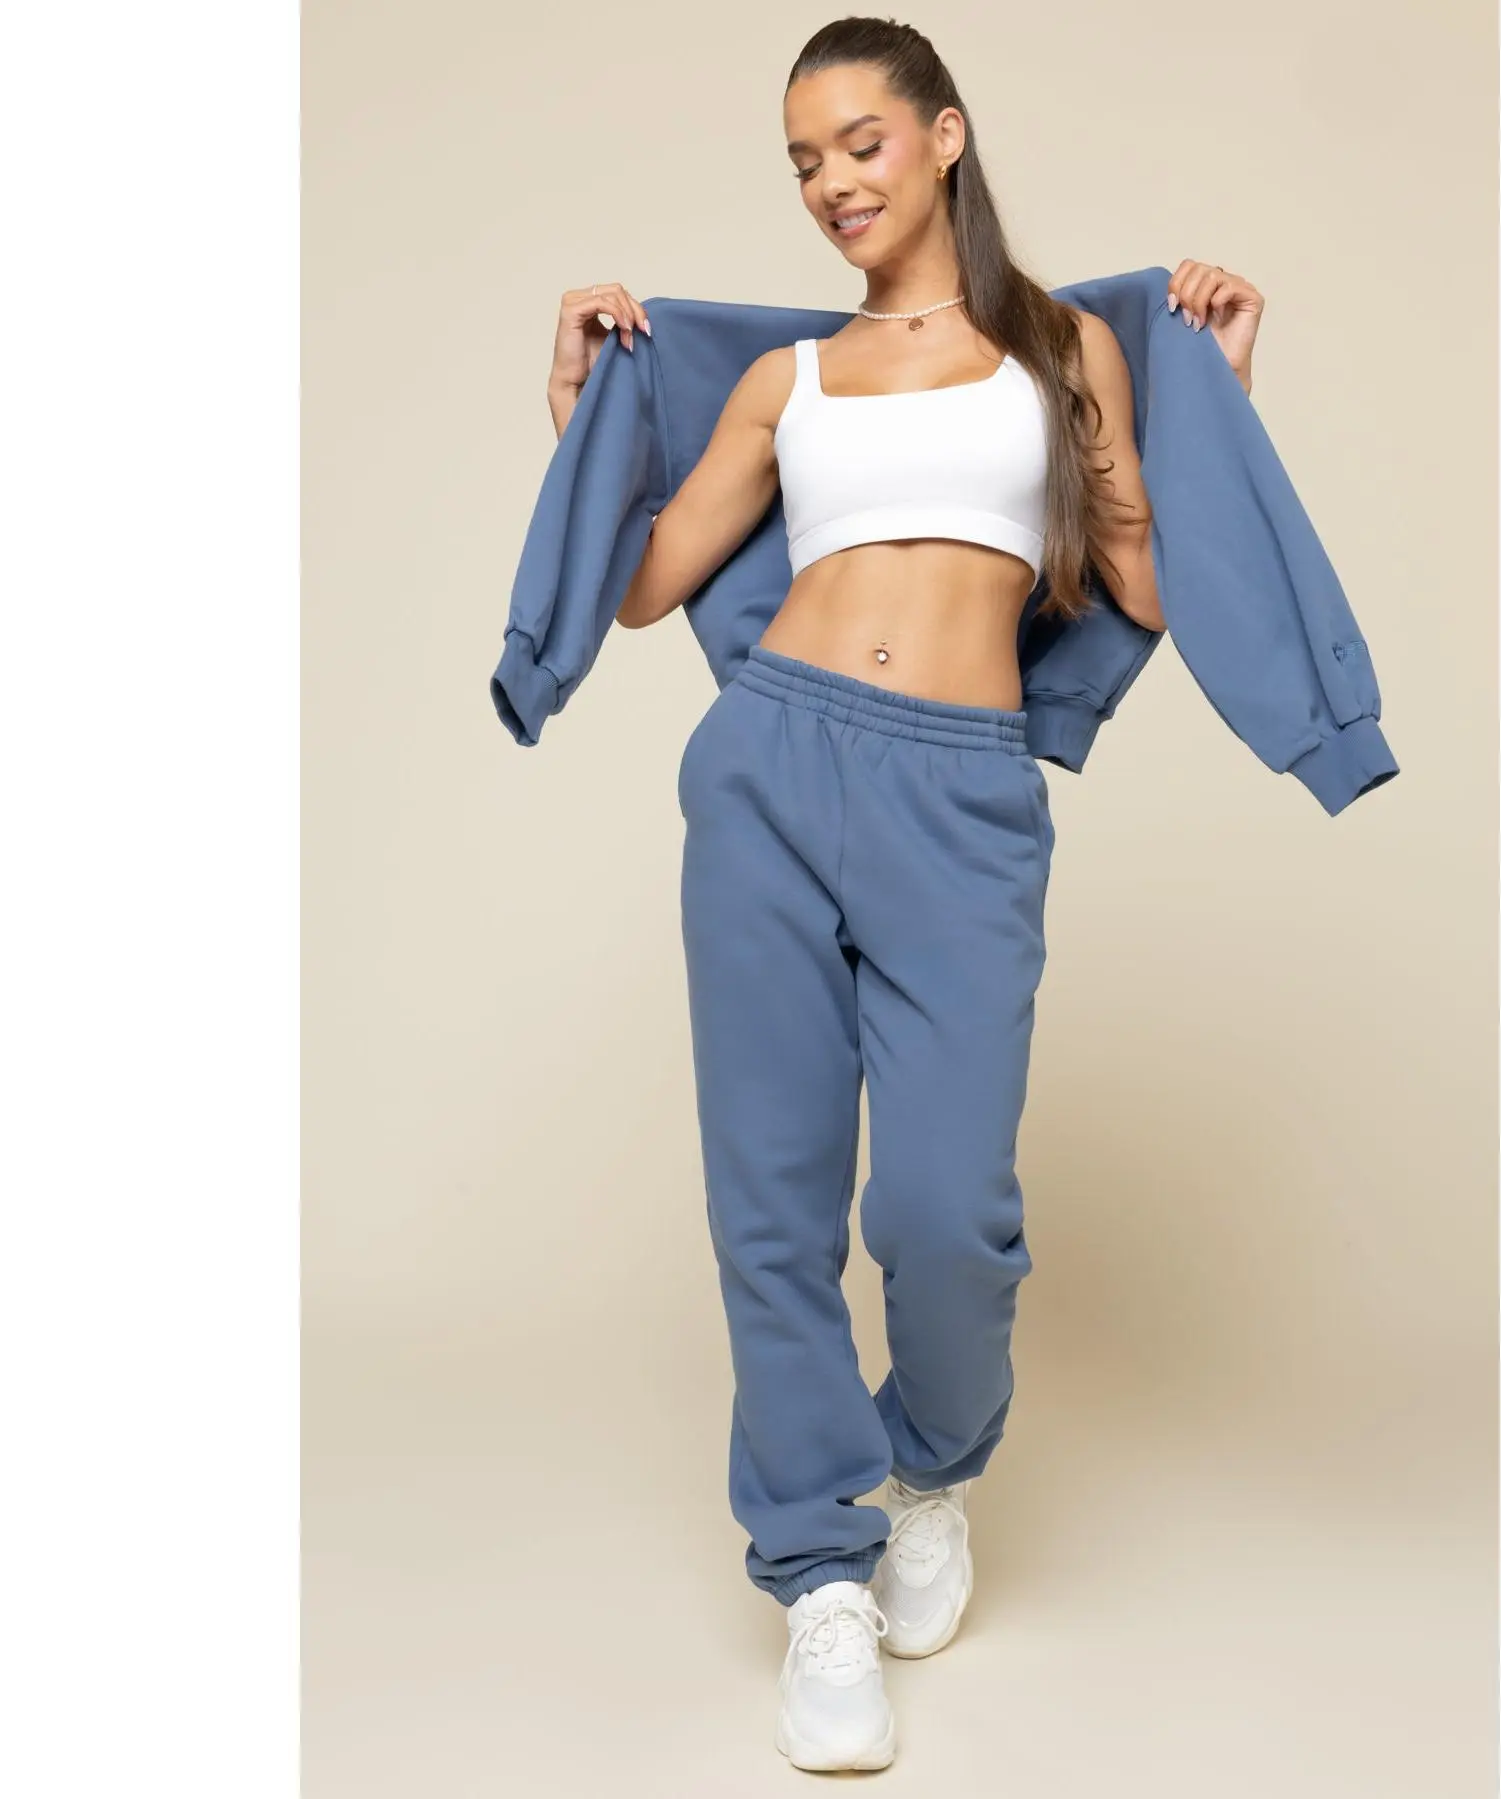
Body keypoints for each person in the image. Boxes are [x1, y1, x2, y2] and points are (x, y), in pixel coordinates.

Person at [541, 18, 1266, 1775]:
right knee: (771, 1206)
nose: (830, 184)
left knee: (944, 1209)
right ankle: (818, 1574)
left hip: (960, 790)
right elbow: (643, 583)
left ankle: (929, 1469)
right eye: (803, 161)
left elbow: (1148, 586)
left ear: (944, 136)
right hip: (767, 769)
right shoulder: (786, 382)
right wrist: (576, 414)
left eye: (858, 143)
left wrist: (1223, 402)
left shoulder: (1065, 349)